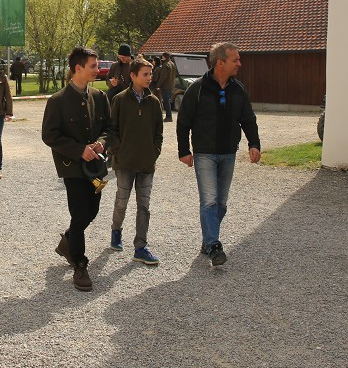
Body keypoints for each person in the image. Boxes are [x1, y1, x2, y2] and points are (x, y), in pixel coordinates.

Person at [176, 42, 261, 268]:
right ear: (220, 62)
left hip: (228, 154)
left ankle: (207, 241)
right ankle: (214, 246)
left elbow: (248, 119)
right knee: (209, 201)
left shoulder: (238, 89)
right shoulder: (198, 89)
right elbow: (183, 121)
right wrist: (184, 151)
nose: (239, 64)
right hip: (204, 154)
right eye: (236, 60)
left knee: (221, 204)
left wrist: (254, 143)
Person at [41, 47, 112, 292]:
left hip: (96, 168)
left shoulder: (100, 97)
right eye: (93, 66)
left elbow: (109, 128)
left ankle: (68, 241)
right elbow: (49, 135)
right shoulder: (58, 101)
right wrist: (77, 149)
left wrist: (102, 142)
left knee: (91, 212)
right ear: (78, 68)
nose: (98, 69)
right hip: (72, 168)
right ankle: (80, 264)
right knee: (79, 212)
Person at [108, 57, 164, 265]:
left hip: (146, 164)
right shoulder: (120, 100)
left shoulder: (154, 102)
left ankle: (140, 246)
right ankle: (116, 232)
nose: (149, 78)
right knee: (121, 201)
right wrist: (118, 151)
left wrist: (154, 152)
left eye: (150, 74)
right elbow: (112, 130)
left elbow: (159, 132)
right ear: (133, 76)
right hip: (124, 162)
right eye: (145, 74)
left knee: (144, 205)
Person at [156, 52, 177, 122]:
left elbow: (163, 77)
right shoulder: (172, 64)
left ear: (164, 57)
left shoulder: (165, 65)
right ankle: (169, 116)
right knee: (168, 100)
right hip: (171, 85)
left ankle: (168, 116)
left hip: (165, 86)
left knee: (166, 101)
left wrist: (158, 85)